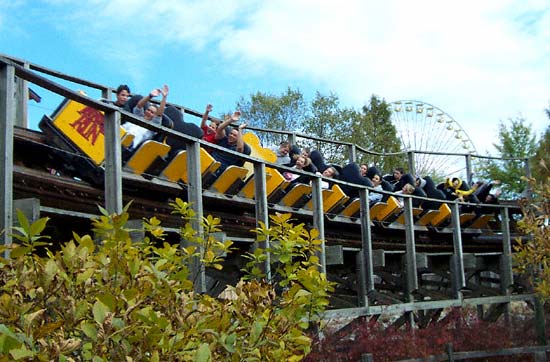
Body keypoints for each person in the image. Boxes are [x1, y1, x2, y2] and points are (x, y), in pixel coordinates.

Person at [122, 85, 169, 152]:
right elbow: (139, 106)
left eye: (152, 112)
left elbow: (159, 114)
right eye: (148, 110)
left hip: (128, 145)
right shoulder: (139, 116)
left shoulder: (152, 127)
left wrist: (164, 97)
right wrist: (150, 96)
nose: (149, 112)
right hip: (120, 133)